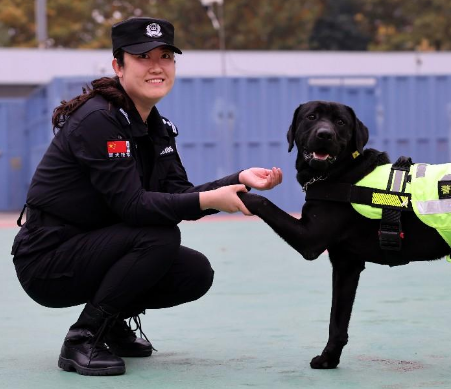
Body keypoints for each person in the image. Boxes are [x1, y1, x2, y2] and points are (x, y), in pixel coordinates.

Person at [10, 17, 282, 376]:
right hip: (47, 258)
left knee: (194, 272)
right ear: (118, 66)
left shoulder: (157, 126)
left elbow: (180, 195)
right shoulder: (99, 120)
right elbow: (134, 207)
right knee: (157, 235)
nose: (157, 66)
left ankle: (111, 325)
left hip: (93, 246)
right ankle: (83, 338)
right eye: (142, 56)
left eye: (166, 56)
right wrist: (212, 200)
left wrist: (238, 179)